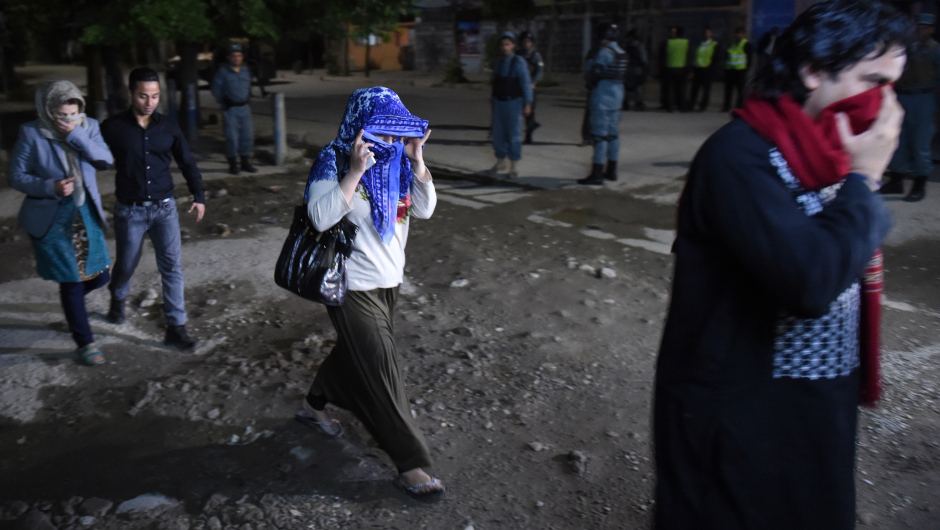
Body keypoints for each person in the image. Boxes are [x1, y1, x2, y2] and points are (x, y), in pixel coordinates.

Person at [654, 1, 908, 528]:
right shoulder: (740, 156)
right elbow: (811, 281)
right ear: (814, 70)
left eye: (894, 85)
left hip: (814, 401)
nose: (887, 107)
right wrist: (864, 182)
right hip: (738, 411)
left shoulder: (828, 152)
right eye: (872, 81)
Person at [299, 86, 445, 501]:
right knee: (382, 368)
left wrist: (417, 160)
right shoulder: (334, 158)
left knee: (354, 353)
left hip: (389, 283)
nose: (391, 139)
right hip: (351, 286)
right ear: (361, 124)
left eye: (396, 130)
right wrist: (356, 170)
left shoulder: (399, 160)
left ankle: (313, 406)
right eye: (383, 129)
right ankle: (411, 464)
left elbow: (424, 209)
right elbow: (320, 218)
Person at [8, 81, 113, 365]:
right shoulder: (32, 132)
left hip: (85, 212)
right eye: (62, 116)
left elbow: (105, 159)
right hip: (51, 217)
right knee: (71, 280)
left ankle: (73, 309)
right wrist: (50, 186)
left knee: (101, 275)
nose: (68, 120)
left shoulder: (88, 126)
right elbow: (16, 176)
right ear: (48, 110)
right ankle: (85, 342)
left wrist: (76, 135)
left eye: (73, 113)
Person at [101, 67, 206, 350]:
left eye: (155, 96)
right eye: (143, 96)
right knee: (126, 265)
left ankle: (176, 327)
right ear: (131, 94)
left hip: (165, 209)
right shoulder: (112, 128)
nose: (150, 102)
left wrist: (199, 195)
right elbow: (93, 158)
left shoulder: (169, 126)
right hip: (129, 211)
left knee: (171, 267)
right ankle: (118, 295)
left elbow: (187, 161)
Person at [882, 12, 940, 202]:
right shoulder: (905, 48)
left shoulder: (934, 50)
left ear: (932, 29)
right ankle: (896, 179)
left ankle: (919, 182)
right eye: (919, 27)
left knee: (921, 142)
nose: (922, 30)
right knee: (898, 139)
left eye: (926, 27)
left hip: (923, 99)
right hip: (902, 96)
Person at [579, 23, 627, 185]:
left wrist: (590, 68)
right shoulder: (622, 52)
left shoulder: (605, 53)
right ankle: (612, 171)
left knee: (599, 137)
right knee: (613, 135)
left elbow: (593, 75)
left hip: (602, 99)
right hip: (617, 99)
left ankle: (597, 173)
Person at [490, 31, 533, 179]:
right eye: (503, 44)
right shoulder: (498, 63)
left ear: (513, 45)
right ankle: (501, 161)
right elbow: (495, 83)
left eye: (508, 44)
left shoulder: (518, 62)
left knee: (514, 135)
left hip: (513, 103)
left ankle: (514, 166)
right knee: (498, 134)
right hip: (499, 103)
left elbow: (525, 83)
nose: (505, 47)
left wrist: (528, 103)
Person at [211, 43, 257, 175]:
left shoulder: (246, 71)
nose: (236, 59)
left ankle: (245, 162)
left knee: (247, 136)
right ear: (229, 58)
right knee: (232, 138)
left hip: (245, 108)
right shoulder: (223, 73)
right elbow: (216, 89)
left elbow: (248, 88)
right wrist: (223, 101)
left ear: (242, 57)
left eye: (239, 56)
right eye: (233, 56)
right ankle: (233, 164)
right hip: (230, 109)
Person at [518, 31, 544, 145]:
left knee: (530, 111)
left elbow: (539, 71)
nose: (526, 44)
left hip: (529, 86)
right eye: (524, 41)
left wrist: (534, 82)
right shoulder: (518, 54)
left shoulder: (535, 55)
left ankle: (529, 135)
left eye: (528, 41)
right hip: (518, 86)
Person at [722, 27, 753, 111]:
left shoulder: (746, 44)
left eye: (741, 33)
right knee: (728, 90)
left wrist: (746, 69)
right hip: (730, 70)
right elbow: (727, 56)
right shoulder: (732, 44)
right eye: (737, 33)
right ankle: (726, 106)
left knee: (740, 91)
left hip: (740, 71)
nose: (738, 35)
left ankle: (739, 106)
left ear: (744, 34)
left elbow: (749, 59)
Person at [689, 28, 719, 111]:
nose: (707, 34)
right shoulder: (700, 44)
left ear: (711, 34)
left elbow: (716, 58)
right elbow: (696, 57)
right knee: (695, 88)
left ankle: (703, 106)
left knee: (706, 89)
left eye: (709, 32)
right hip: (697, 68)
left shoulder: (714, 44)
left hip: (707, 69)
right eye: (705, 32)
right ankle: (691, 104)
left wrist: (712, 69)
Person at [663, 26, 690, 112]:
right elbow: (688, 56)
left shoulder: (669, 42)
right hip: (682, 68)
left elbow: (664, 55)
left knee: (670, 89)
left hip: (670, 68)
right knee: (681, 89)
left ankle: (670, 106)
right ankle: (682, 106)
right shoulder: (686, 42)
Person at [624, 29, 648, 111]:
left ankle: (625, 103)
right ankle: (638, 103)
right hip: (637, 68)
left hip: (627, 68)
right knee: (638, 85)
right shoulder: (639, 45)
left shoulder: (626, 46)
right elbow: (644, 59)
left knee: (626, 86)